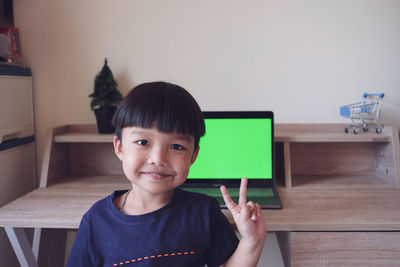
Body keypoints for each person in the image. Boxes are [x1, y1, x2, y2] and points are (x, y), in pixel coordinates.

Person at [67, 82, 266, 267]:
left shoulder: (204, 212)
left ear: (193, 156)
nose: (158, 158)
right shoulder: (96, 220)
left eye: (176, 146)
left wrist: (252, 241)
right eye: (143, 142)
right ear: (119, 147)